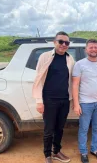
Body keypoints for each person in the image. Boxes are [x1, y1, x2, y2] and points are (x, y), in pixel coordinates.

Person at [32, 31, 74, 163]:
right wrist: (39, 101)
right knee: (49, 129)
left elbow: (73, 80)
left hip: (64, 100)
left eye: (66, 42)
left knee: (60, 128)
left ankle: (56, 151)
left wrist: (72, 99)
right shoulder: (45, 56)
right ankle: (47, 155)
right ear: (54, 42)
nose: (63, 44)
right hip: (49, 100)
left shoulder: (70, 59)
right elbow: (38, 79)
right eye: (61, 41)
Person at [72, 39, 97, 163]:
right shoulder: (79, 64)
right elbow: (75, 85)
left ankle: (94, 149)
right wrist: (76, 104)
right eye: (91, 47)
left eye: (96, 47)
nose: (93, 49)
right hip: (85, 103)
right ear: (86, 49)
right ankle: (83, 152)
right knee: (83, 128)